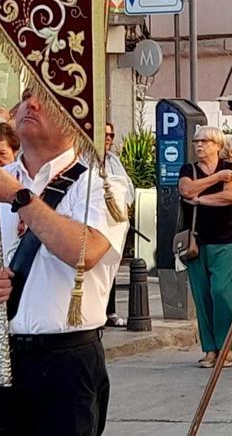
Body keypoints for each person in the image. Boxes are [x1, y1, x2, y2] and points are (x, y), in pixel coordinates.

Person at [0, 88, 130, 435]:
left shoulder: (102, 185)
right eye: (27, 96)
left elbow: (87, 252)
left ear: (77, 115)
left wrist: (19, 198)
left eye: (47, 98)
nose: (31, 105)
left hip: (63, 367)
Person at [178, 127, 232, 368]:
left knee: (221, 293)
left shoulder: (231, 168)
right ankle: (210, 349)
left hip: (226, 240)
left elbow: (230, 196)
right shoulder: (189, 170)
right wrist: (216, 178)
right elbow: (186, 189)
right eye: (196, 141)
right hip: (196, 241)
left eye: (205, 141)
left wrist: (199, 200)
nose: (199, 145)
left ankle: (228, 345)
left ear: (217, 145)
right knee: (202, 295)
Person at [102, 122, 133, 329]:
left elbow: (127, 186)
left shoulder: (114, 160)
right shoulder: (85, 159)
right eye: (105, 134)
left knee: (111, 266)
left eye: (111, 135)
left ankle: (110, 311)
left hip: (116, 220)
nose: (108, 139)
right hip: (98, 219)